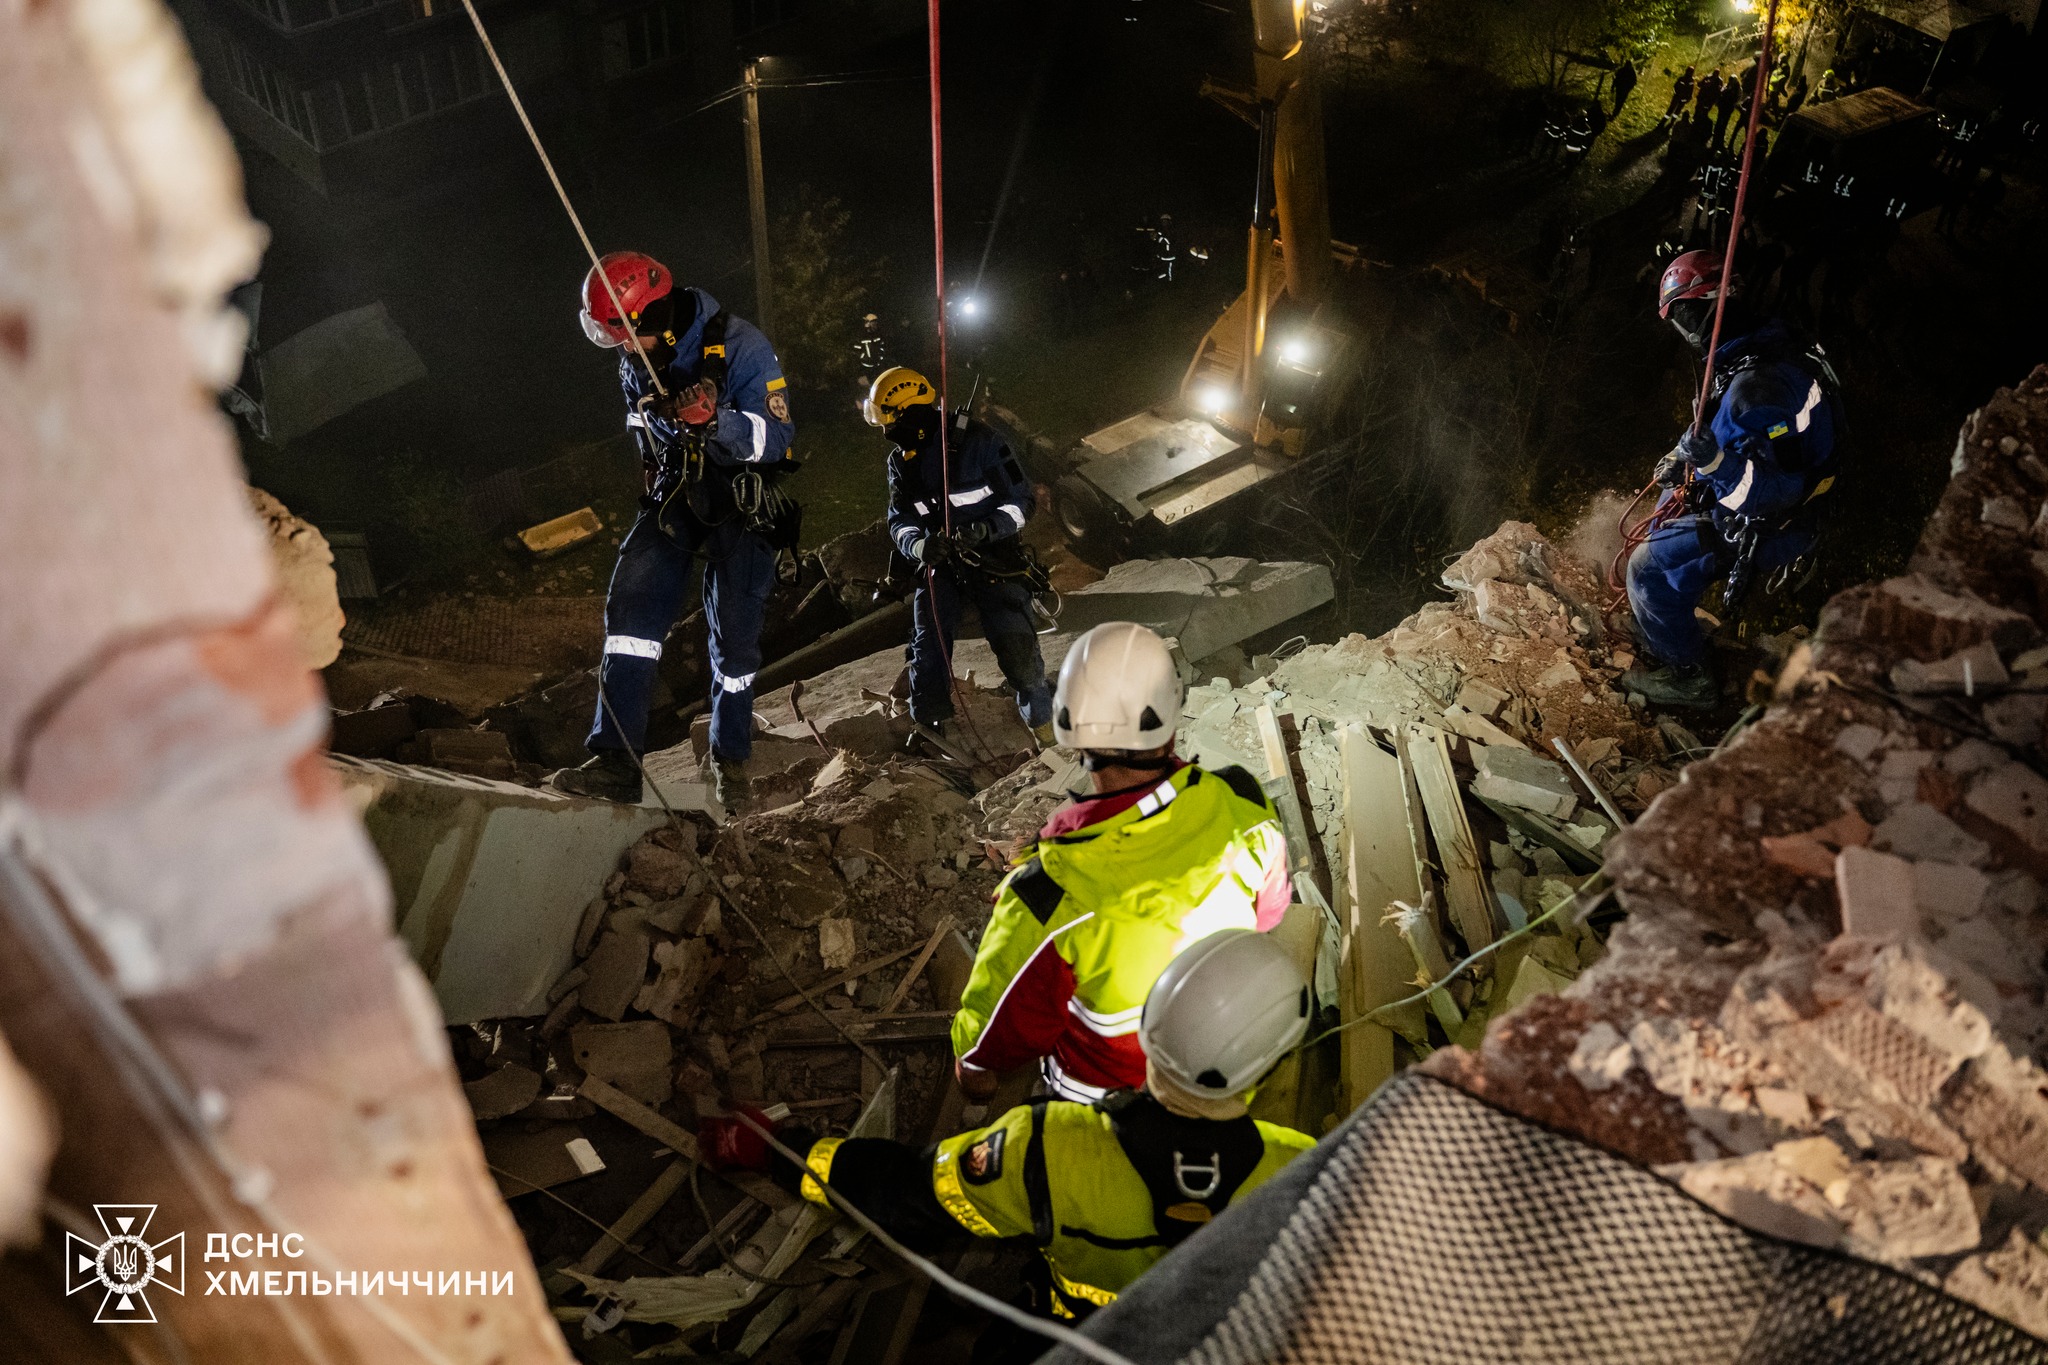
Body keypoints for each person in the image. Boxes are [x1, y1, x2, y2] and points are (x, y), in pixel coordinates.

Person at [706, 930, 1317, 1328]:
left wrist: (776, 1150)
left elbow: (908, 1195)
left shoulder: (1048, 1146)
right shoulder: (1313, 1175)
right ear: (1277, 1061)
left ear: (1146, 1026)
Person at [951, 623, 1292, 1104]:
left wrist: (974, 1078)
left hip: (1108, 1114)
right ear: (1171, 718)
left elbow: (985, 1052)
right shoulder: (1244, 802)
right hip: (1227, 1083)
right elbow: (1271, 916)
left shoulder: (1051, 894)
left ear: (1075, 735)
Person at [550, 252, 798, 810]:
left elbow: (778, 438)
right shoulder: (635, 357)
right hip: (676, 492)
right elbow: (643, 429)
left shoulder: (742, 345)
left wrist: (717, 421)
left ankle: (730, 759)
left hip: (741, 497)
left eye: (624, 336)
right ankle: (616, 762)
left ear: (649, 317)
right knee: (632, 611)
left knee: (734, 638)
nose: (623, 350)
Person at [1622, 251, 1842, 708]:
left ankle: (1691, 678)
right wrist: (1687, 458)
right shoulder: (1762, 343)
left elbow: (1767, 495)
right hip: (1778, 490)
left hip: (1777, 522)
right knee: (1667, 505)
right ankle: (1669, 621)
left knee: (1645, 570)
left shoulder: (1755, 391)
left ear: (1699, 311)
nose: (1682, 331)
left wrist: (1714, 464)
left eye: (1681, 317)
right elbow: (1731, 431)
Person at [864, 366, 1052, 743]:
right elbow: (900, 520)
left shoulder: (981, 443)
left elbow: (1022, 502)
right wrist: (920, 546)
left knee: (1013, 639)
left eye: (889, 419)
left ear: (909, 413)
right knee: (929, 639)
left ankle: (1044, 725)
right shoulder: (901, 462)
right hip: (941, 562)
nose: (885, 430)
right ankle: (931, 725)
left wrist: (986, 529)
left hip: (993, 557)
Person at [854, 313, 887, 377]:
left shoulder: (878, 334)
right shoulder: (861, 335)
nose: (875, 325)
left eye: (875, 323)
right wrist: (863, 357)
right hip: (865, 367)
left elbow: (882, 346)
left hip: (877, 365)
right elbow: (856, 349)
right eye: (873, 323)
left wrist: (880, 356)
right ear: (868, 323)